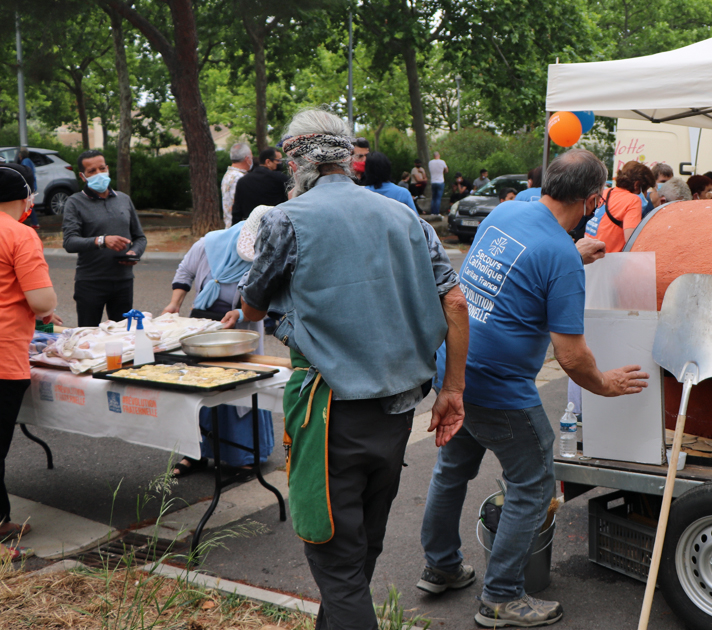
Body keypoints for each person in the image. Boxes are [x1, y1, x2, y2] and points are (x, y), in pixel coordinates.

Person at [234, 108, 468, 630]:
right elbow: (455, 303)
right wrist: (453, 389)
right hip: (397, 413)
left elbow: (251, 306)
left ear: (296, 162)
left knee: (336, 560)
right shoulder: (407, 217)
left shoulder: (285, 219)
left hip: (329, 414)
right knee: (361, 549)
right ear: (347, 157)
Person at [419, 149, 645, 628]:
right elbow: (572, 356)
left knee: (452, 470)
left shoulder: (507, 212)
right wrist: (605, 385)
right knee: (534, 483)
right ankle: (501, 597)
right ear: (592, 201)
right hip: (500, 391)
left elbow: (522, 266)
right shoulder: (559, 255)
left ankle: (440, 566)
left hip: (455, 373)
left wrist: (571, 256)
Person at [163, 206, 273, 478]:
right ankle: (195, 452)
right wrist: (174, 304)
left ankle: (245, 456)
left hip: (241, 328)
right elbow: (185, 272)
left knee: (238, 388)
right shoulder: (209, 244)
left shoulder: (268, 253)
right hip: (202, 325)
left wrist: (240, 314)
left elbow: (270, 299)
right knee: (199, 388)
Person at [0, 164, 55, 558]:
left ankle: (2, 520)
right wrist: (44, 306)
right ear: (24, 199)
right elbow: (42, 300)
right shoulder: (20, 234)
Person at [61, 151, 146, 327]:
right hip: (91, 283)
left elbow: (140, 237)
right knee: (88, 335)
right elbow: (69, 242)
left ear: (107, 168)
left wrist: (134, 253)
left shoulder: (123, 199)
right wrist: (102, 241)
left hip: (123, 281)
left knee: (122, 334)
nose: (99, 174)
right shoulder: (74, 202)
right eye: (92, 171)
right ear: (83, 176)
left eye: (102, 168)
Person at [594, 161, 654, 255]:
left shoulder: (607, 192)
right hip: (610, 259)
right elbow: (632, 240)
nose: (646, 195)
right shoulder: (633, 200)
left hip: (592, 255)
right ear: (637, 185)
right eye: (645, 190)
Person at [232, 147, 289, 224]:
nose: (280, 163)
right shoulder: (281, 178)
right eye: (278, 160)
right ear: (268, 162)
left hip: (251, 225)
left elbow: (237, 212)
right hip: (275, 224)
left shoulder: (242, 181)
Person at [222, 142, 253, 228]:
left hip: (230, 225)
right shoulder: (239, 178)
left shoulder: (228, 174)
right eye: (251, 157)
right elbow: (238, 204)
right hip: (238, 227)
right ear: (247, 159)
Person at [17, 150, 37, 230]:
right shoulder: (29, 161)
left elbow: (25, 173)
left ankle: (34, 222)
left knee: (27, 204)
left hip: (28, 186)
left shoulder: (25, 161)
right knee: (29, 204)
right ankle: (34, 222)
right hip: (31, 185)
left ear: (21, 155)